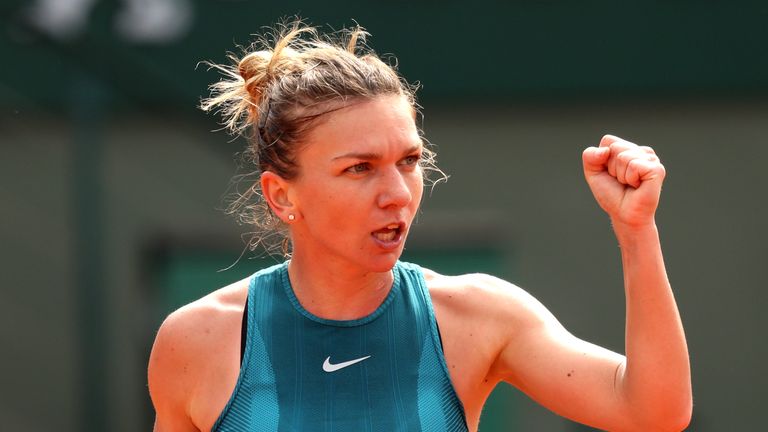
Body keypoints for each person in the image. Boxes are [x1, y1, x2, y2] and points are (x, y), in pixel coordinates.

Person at [147, 22, 692, 432]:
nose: (398, 193)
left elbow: (654, 412)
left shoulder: (479, 315)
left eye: (408, 161)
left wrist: (636, 230)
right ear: (282, 196)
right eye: (359, 168)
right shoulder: (195, 341)